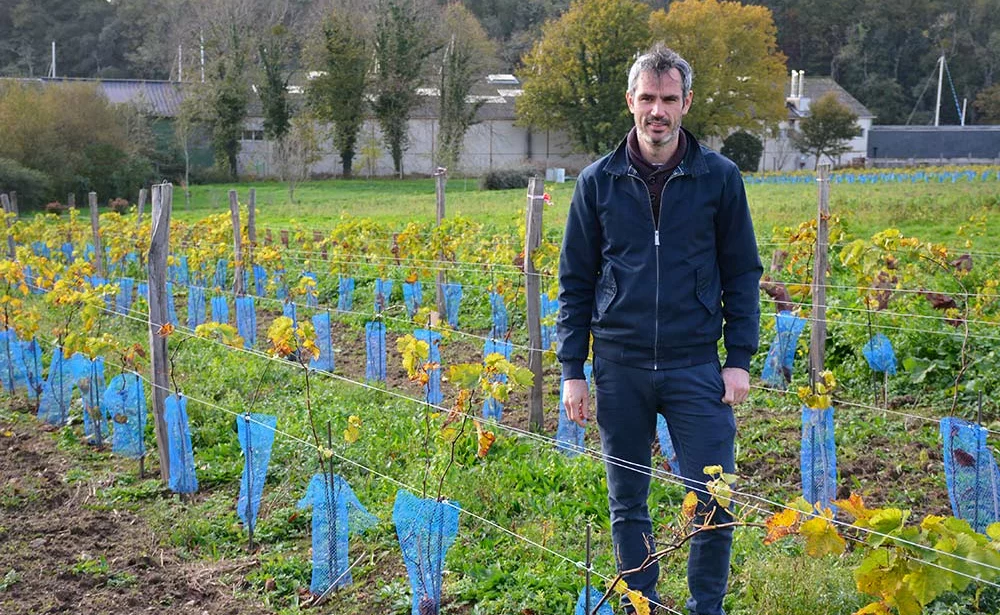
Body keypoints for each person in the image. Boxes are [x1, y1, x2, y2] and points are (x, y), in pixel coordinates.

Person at [556, 44, 762, 615]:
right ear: (630, 102)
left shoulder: (718, 179)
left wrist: (739, 356)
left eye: (669, 99)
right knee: (628, 501)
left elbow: (743, 272)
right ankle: (640, 604)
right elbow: (575, 280)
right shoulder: (597, 182)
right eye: (647, 98)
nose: (657, 111)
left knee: (713, 498)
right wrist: (572, 370)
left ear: (686, 103)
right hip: (618, 366)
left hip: (695, 364)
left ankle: (706, 609)